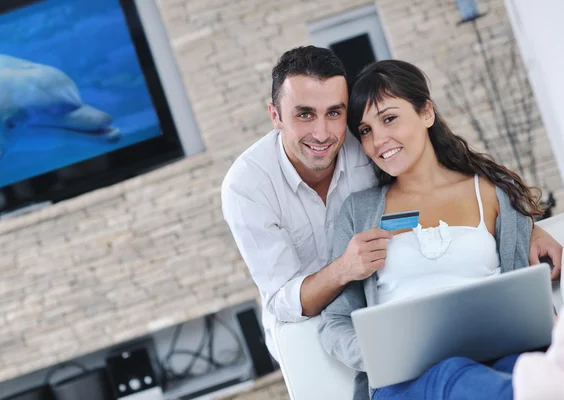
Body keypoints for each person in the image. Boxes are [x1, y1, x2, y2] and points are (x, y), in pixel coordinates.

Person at [221, 45, 562, 361]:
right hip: (312, 329)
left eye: (334, 113)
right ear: (275, 115)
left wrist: (523, 227)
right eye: (304, 114)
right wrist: (345, 270)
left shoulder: (365, 144)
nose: (323, 133)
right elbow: (284, 300)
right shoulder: (248, 185)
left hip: (475, 347)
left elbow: (437, 170)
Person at [317, 59, 557, 400]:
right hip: (408, 383)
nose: (379, 140)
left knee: (516, 371)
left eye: (389, 119)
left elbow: (526, 286)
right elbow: (335, 322)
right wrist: (377, 352)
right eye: (366, 130)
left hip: (499, 361)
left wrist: (531, 229)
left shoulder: (490, 193)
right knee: (452, 373)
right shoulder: (359, 212)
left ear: (426, 113)